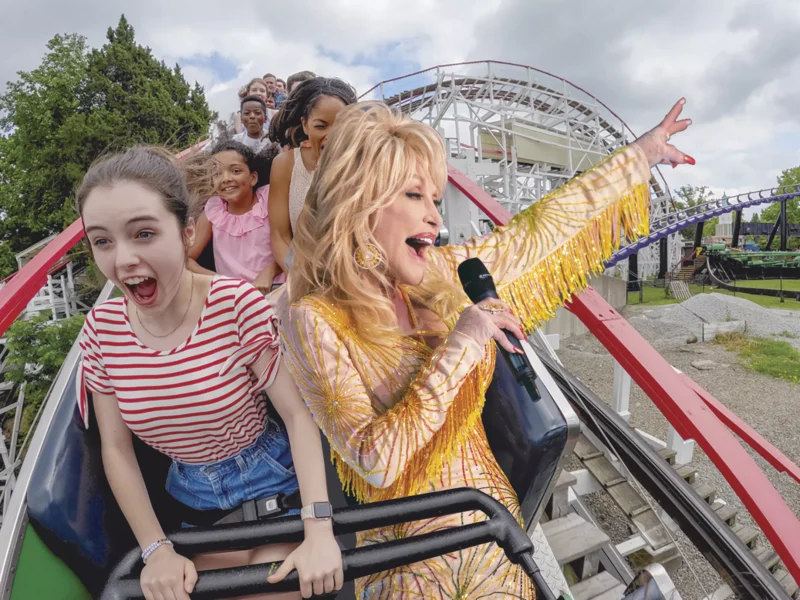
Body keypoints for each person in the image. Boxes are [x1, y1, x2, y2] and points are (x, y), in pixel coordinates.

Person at [282, 100, 693, 598]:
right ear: (359, 204)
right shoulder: (317, 319)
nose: (435, 218)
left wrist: (639, 157)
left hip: (496, 529)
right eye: (415, 196)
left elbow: (537, 234)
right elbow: (374, 458)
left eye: (436, 200)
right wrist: (461, 344)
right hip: (417, 565)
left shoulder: (440, 273)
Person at [75, 146, 343, 600]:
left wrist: (318, 527)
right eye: (103, 241)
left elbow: (297, 417)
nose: (122, 261)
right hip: (192, 501)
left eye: (143, 234)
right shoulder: (102, 331)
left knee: (270, 589)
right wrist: (155, 548)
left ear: (186, 233)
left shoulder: (234, 304)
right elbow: (115, 448)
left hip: (271, 484)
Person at [267, 77, 357, 272]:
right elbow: (280, 236)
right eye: (320, 126)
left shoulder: (364, 164)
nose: (332, 135)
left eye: (340, 125)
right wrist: (301, 279)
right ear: (305, 125)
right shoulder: (285, 165)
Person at [187, 140, 284, 292]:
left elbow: (292, 245)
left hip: (277, 289)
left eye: (236, 171)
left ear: (253, 178)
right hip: (236, 299)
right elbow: (187, 260)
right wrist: (221, 281)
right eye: (217, 174)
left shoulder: (270, 200)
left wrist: (271, 270)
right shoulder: (212, 214)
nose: (225, 178)